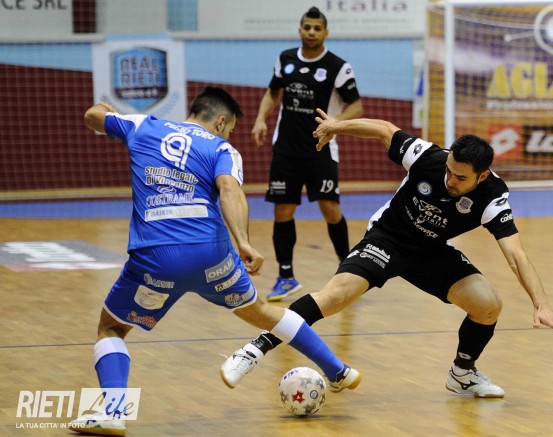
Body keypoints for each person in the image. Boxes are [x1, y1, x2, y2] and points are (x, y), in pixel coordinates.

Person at [222, 108, 553, 398]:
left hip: (431, 251)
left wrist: (541, 303)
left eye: (460, 178)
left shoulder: (493, 196)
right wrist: (337, 126)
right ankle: (255, 348)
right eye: (449, 171)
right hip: (387, 239)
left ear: (482, 177)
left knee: (488, 305)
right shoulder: (428, 157)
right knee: (336, 295)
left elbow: (515, 255)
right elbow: (384, 129)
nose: (450, 180)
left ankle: (462, 373)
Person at [68, 89, 361, 436]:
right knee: (263, 312)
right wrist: (244, 242)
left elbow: (92, 116)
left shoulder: (142, 126)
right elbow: (229, 190)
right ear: (221, 121)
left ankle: (113, 411)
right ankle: (339, 370)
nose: (230, 135)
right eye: (231, 129)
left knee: (112, 329)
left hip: (157, 256)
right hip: (213, 256)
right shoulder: (222, 149)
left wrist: (107, 108)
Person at [251, 6, 364, 301]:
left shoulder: (338, 66)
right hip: (286, 150)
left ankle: (349, 272)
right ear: (300, 30)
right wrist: (261, 118)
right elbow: (273, 92)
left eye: (317, 28)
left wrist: (335, 125)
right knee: (282, 211)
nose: (311, 32)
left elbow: (356, 106)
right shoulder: (285, 59)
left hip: (320, 150)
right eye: (307, 27)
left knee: (330, 209)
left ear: (326, 32)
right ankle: (285, 277)